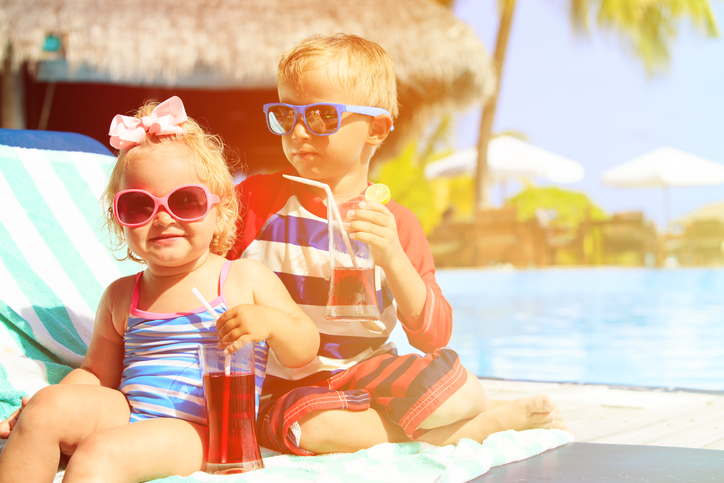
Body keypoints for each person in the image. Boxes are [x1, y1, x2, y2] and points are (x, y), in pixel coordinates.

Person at [228, 33, 567, 456]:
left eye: (319, 116)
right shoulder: (257, 202)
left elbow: (433, 337)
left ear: (376, 128)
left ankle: (458, 416)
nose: (298, 131)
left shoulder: (397, 224)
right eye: (285, 114)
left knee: (459, 388)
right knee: (310, 429)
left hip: (370, 373)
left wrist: (391, 256)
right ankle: (481, 426)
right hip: (285, 387)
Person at [0, 96, 319, 482]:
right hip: (129, 410)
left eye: (186, 201)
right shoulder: (121, 296)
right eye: (138, 206)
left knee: (100, 453)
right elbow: (97, 374)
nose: (163, 218)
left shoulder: (243, 279)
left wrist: (269, 323)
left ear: (221, 213)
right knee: (46, 410)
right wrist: (45, 405)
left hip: (202, 431)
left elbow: (305, 348)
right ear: (120, 222)